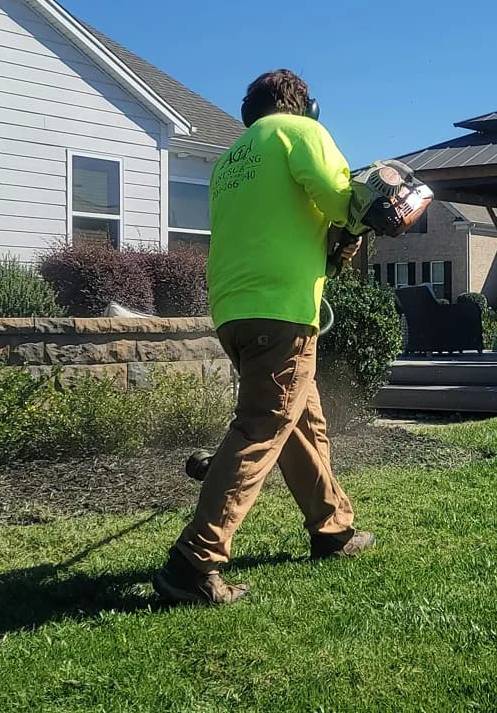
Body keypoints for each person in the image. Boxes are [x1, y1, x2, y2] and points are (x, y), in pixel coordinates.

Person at [151, 69, 374, 606]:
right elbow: (344, 202)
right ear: (305, 107)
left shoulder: (229, 161)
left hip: (235, 311)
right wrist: (373, 206)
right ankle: (194, 562)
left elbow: (278, 222)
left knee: (301, 421)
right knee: (261, 427)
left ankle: (332, 529)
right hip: (282, 311)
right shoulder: (300, 133)